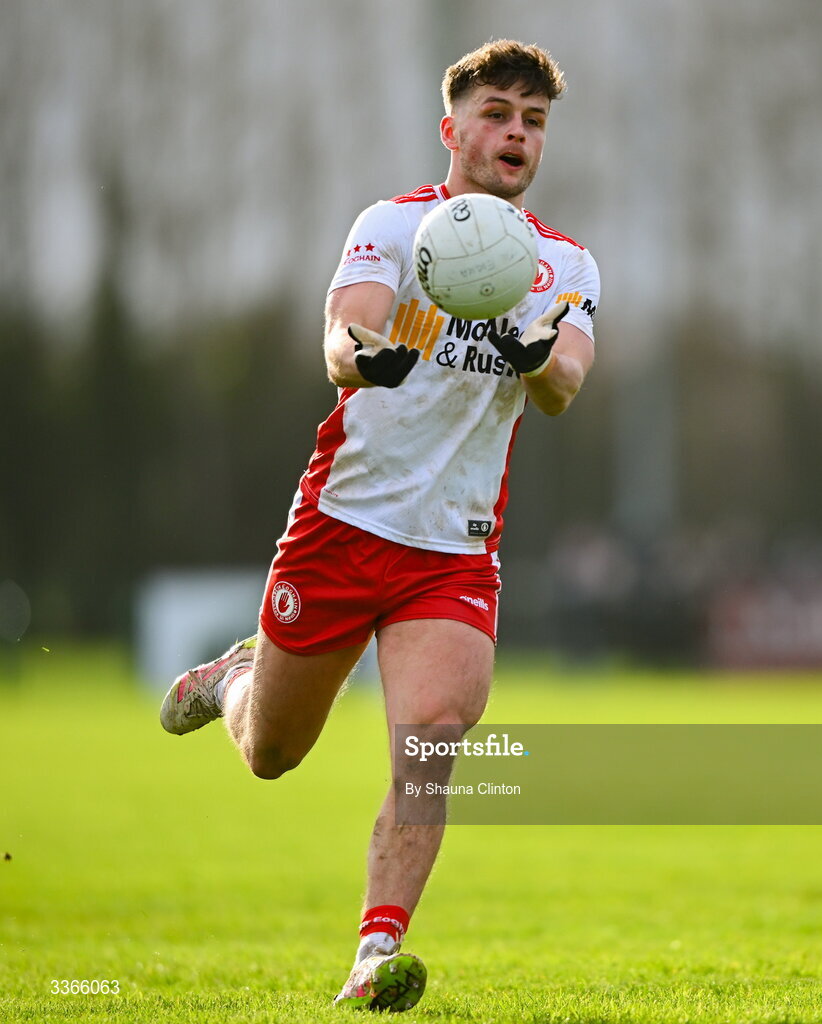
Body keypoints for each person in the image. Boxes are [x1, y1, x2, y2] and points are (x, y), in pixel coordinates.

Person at [160, 39, 600, 1012]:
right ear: (451, 130)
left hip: (452, 546)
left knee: (432, 737)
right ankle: (236, 677)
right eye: (496, 113)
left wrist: (530, 354)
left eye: (531, 120)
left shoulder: (562, 262)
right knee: (272, 753)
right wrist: (369, 359)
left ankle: (373, 953)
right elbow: (340, 335)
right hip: (343, 521)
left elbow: (564, 383)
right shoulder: (393, 229)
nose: (514, 133)